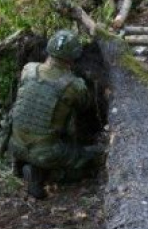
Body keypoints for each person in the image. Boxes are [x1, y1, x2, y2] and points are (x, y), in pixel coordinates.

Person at [7, 30, 103, 199]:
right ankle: (47, 175)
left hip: (15, 144)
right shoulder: (74, 85)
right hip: (47, 152)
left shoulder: (28, 69)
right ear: (73, 58)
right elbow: (86, 105)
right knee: (92, 157)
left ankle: (27, 166)